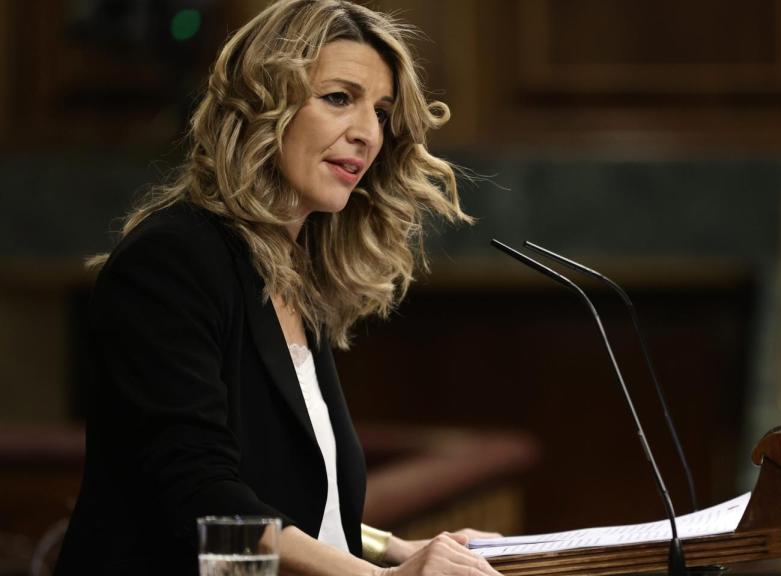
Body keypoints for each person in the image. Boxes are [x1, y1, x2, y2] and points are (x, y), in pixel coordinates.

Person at [54, 1, 500, 574]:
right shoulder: (172, 260)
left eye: (382, 112)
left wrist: (393, 548)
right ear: (264, 104)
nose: (367, 133)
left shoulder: (289, 270)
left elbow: (279, 500)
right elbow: (202, 509)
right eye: (339, 98)